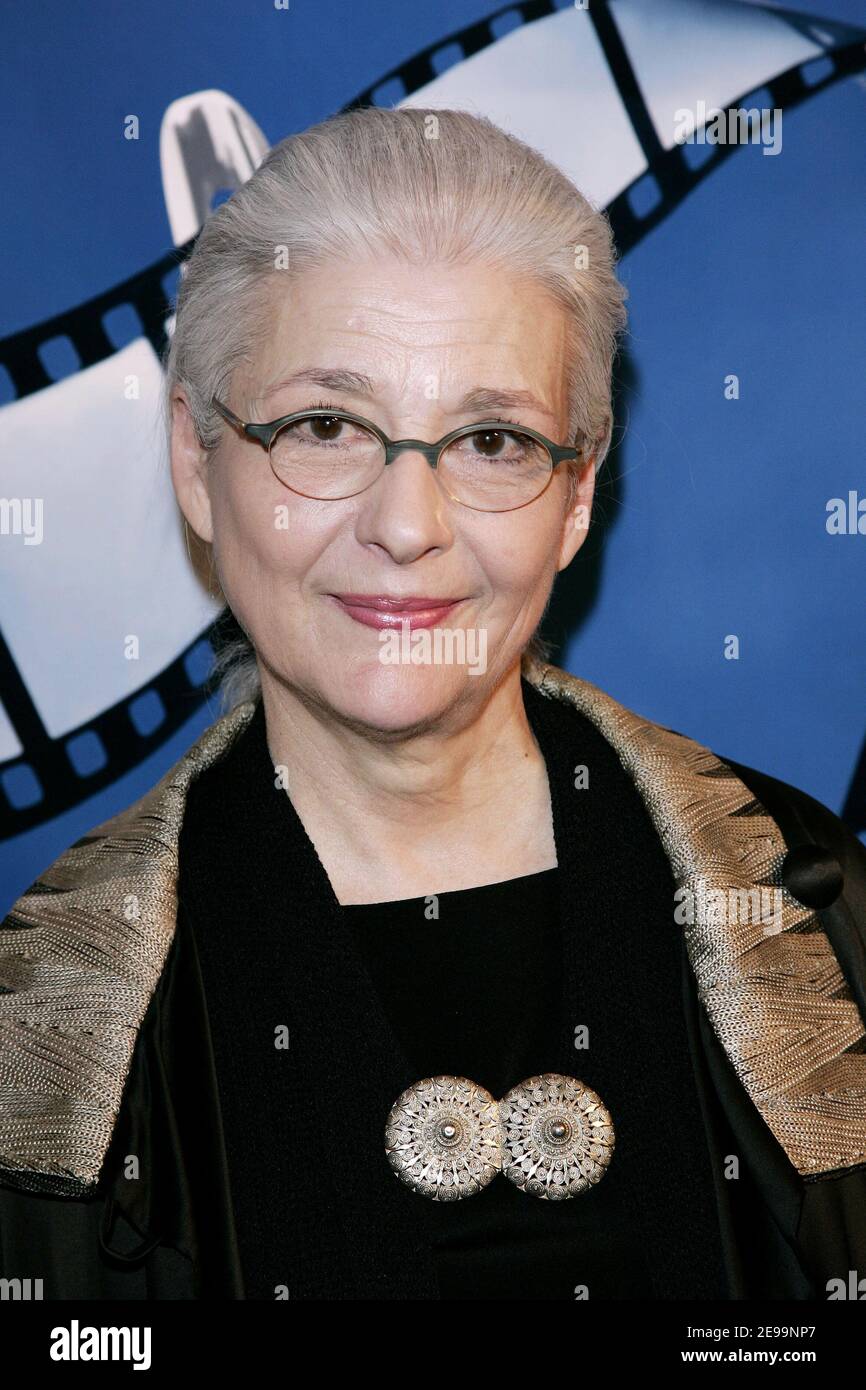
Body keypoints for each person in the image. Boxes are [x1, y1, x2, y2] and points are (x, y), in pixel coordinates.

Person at [1, 106, 865, 1302]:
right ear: (198, 463)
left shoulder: (813, 908)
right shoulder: (43, 1039)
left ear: (574, 496)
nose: (407, 526)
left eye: (492, 440)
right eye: (324, 426)